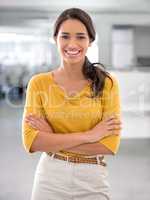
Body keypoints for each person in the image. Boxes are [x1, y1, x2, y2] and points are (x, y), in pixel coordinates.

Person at [22, 7, 122, 200]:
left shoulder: (107, 83)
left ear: (90, 41)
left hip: (92, 178)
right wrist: (90, 135)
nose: (72, 43)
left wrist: (51, 137)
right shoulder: (39, 83)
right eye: (65, 36)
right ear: (56, 39)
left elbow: (109, 145)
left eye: (81, 37)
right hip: (50, 178)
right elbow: (32, 142)